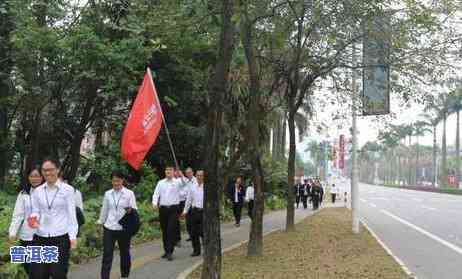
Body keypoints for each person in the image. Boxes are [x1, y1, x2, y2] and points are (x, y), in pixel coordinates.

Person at [29, 159, 78, 279]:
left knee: (58, 274)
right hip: (40, 237)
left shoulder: (68, 190)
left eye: (50, 169)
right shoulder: (38, 191)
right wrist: (33, 219)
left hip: (60, 238)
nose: (47, 173)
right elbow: (35, 211)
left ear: (57, 170)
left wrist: (72, 237)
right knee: (38, 274)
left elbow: (71, 215)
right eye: (44, 170)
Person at [98, 170, 138, 279]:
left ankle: (125, 275)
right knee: (107, 254)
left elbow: (134, 210)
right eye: (114, 181)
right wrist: (100, 223)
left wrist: (130, 210)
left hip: (123, 229)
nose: (116, 183)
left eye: (118, 181)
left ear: (122, 180)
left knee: (124, 253)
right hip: (109, 227)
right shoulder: (108, 194)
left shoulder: (129, 193)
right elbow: (104, 210)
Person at [9, 165, 44, 278]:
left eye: (37, 176)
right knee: (27, 265)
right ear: (28, 178)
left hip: (43, 235)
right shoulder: (23, 194)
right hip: (26, 235)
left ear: (42, 177)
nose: (34, 179)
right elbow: (18, 215)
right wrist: (13, 232)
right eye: (32, 176)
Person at [152, 166, 184, 261]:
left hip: (174, 209)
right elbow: (156, 194)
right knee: (164, 231)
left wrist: (181, 176)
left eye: (170, 170)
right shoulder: (160, 183)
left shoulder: (178, 182)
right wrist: (154, 203)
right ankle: (166, 251)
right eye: (166, 170)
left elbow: (186, 183)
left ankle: (170, 251)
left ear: (174, 172)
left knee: (170, 229)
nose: (168, 171)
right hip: (163, 209)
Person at [182, 170, 205, 257]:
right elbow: (188, 200)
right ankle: (196, 250)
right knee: (193, 232)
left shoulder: (207, 187)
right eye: (198, 175)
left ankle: (207, 248)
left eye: (201, 175)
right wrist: (185, 211)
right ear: (196, 176)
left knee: (203, 232)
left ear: (204, 177)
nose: (199, 177)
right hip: (194, 211)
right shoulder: (192, 187)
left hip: (204, 212)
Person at [178, 167, 196, 244]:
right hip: (187, 203)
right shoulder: (187, 181)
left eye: (189, 173)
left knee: (194, 222)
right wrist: (181, 175)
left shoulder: (195, 181)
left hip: (195, 204)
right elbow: (184, 179)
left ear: (192, 172)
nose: (188, 174)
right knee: (188, 222)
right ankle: (191, 235)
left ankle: (196, 235)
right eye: (187, 173)